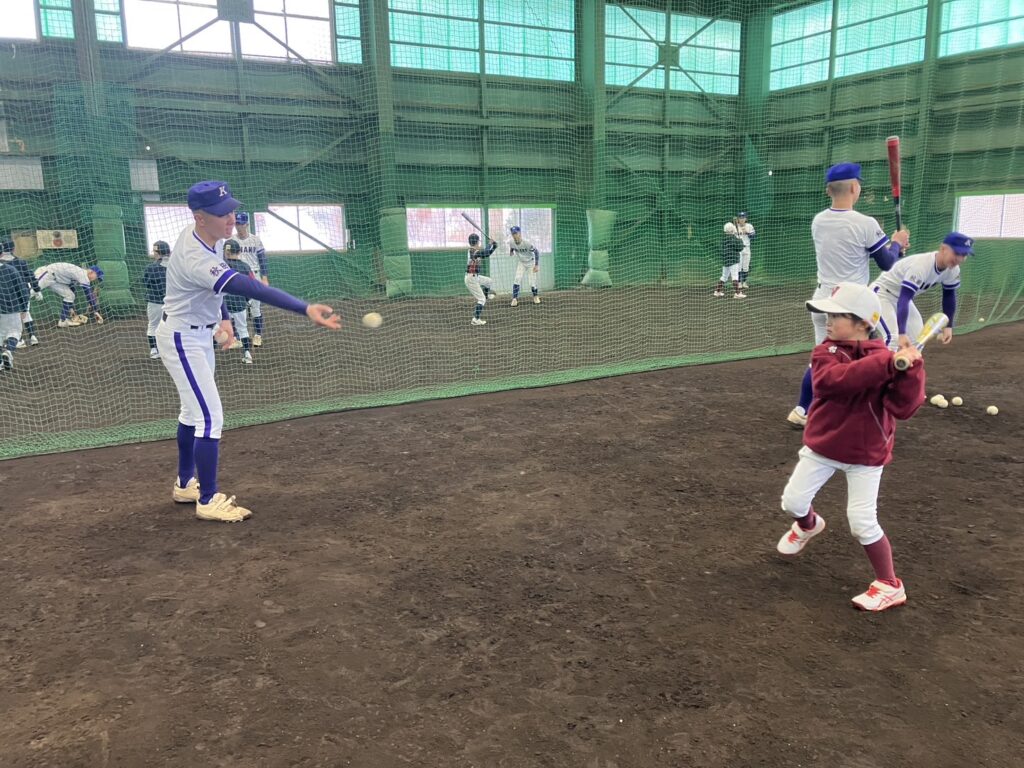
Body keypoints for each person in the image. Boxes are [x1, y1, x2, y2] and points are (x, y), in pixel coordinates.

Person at [158, 180, 340, 523]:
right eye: (221, 214)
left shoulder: (210, 238)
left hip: (198, 334)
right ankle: (208, 500)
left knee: (192, 413)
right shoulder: (194, 254)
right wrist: (304, 308)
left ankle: (185, 484)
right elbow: (245, 285)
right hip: (183, 339)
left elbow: (214, 291)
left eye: (231, 210)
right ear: (199, 217)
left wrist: (224, 319)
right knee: (210, 418)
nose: (231, 219)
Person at [775, 283, 925, 612]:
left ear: (863, 323)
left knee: (862, 522)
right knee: (793, 502)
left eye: (836, 316)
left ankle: (889, 585)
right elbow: (832, 383)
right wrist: (888, 364)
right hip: (824, 445)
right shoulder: (826, 352)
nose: (827, 322)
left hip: (866, 454)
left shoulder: (887, 361)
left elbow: (904, 408)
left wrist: (911, 372)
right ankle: (808, 525)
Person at [787, 162, 910, 428]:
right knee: (880, 346)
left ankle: (802, 409)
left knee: (822, 357)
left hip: (823, 300)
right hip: (851, 305)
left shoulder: (818, 220)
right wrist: (897, 243)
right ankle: (877, 405)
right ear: (855, 187)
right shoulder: (865, 223)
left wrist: (894, 247)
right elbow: (887, 263)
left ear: (828, 190)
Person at [870, 231, 972, 351]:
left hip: (900, 299)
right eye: (957, 253)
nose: (960, 258)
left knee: (917, 339)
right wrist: (902, 333)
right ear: (943, 249)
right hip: (881, 294)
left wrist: (948, 326)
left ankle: (905, 363)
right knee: (893, 338)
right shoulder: (922, 266)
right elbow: (905, 298)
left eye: (964, 255)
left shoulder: (953, 270)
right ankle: (882, 363)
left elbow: (949, 296)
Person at [233, 212, 269, 347]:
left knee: (255, 308)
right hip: (237, 277)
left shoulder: (255, 240)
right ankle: (237, 338)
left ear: (247, 224)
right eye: (237, 223)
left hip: (254, 275)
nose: (238, 226)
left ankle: (258, 335)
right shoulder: (231, 240)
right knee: (236, 308)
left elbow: (262, 259)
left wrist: (264, 278)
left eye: (241, 224)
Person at [34, 261, 104, 327]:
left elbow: (72, 288)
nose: (95, 279)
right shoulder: (83, 275)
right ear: (92, 272)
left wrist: (71, 309)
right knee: (30, 292)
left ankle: (63, 321)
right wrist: (96, 311)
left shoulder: (79, 275)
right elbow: (88, 295)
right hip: (47, 273)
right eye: (96, 276)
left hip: (55, 281)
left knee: (70, 295)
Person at [0, 240, 41, 347]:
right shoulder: (21, 262)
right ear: (13, 248)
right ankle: (32, 336)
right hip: (23, 292)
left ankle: (19, 340)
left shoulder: (2, 264)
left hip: (5, 295)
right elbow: (30, 276)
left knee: (10, 319)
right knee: (25, 313)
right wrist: (37, 289)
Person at [221, 238, 255, 364]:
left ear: (225, 251)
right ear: (239, 252)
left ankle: (208, 355)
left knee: (214, 328)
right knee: (243, 329)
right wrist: (247, 300)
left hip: (223, 304)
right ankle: (247, 354)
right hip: (239, 303)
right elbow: (251, 285)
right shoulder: (245, 266)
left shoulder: (221, 265)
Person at [0, 257, 30, 371]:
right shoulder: (10, 270)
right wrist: (24, 308)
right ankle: (8, 351)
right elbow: (22, 289)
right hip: (10, 308)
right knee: (15, 332)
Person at [142, 241, 171, 360]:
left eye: (154, 251)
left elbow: (146, 282)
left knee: (153, 325)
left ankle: (154, 350)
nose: (153, 253)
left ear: (158, 252)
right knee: (171, 326)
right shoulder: (176, 265)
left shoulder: (151, 267)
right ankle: (169, 349)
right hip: (173, 303)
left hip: (155, 301)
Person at [465, 233, 498, 326]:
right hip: (471, 279)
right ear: (477, 242)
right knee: (481, 299)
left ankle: (486, 296)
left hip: (475, 277)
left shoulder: (474, 250)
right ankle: (475, 319)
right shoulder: (473, 251)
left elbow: (486, 253)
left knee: (489, 281)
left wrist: (493, 246)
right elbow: (486, 253)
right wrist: (491, 244)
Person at [508, 226, 540, 306]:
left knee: (532, 282)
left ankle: (535, 296)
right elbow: (512, 247)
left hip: (531, 263)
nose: (514, 235)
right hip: (521, 263)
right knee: (517, 279)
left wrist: (536, 265)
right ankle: (514, 299)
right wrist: (511, 251)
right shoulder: (511, 242)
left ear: (520, 233)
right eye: (513, 234)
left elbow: (536, 252)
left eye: (516, 233)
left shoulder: (527, 243)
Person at [714, 222, 746, 298]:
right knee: (735, 277)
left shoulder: (723, 239)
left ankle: (717, 291)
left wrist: (738, 240)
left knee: (724, 277)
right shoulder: (734, 238)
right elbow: (740, 248)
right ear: (732, 229)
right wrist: (740, 240)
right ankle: (737, 293)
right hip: (733, 260)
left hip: (726, 260)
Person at [733, 212, 755, 289]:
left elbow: (753, 237)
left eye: (743, 217)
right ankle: (739, 282)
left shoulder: (749, 226)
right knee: (739, 267)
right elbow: (732, 237)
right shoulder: (735, 227)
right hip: (738, 249)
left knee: (746, 267)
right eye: (740, 218)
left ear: (746, 218)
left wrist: (747, 232)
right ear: (738, 219)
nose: (742, 219)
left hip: (747, 248)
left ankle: (744, 282)